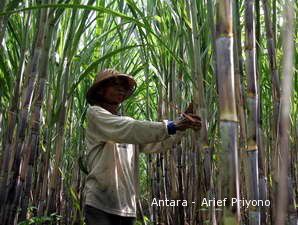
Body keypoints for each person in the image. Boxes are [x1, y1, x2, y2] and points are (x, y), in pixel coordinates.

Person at [83, 69, 201, 225]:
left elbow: (157, 143)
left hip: (126, 206)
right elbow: (128, 128)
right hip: (100, 202)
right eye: (116, 85)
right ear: (100, 90)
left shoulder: (128, 126)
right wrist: (172, 126)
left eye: (124, 87)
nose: (121, 89)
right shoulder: (95, 114)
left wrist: (180, 126)